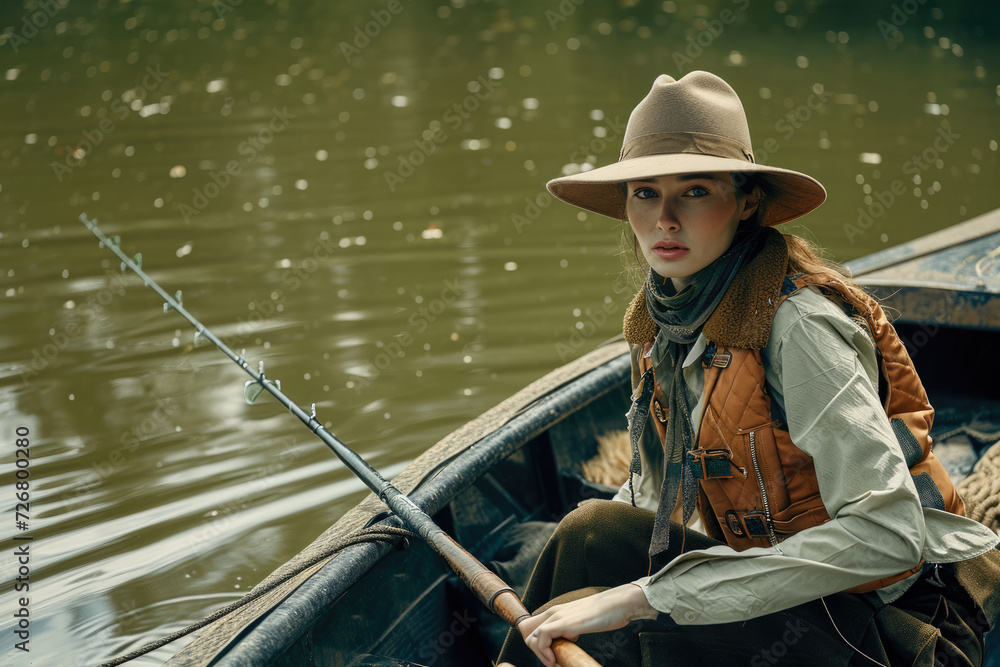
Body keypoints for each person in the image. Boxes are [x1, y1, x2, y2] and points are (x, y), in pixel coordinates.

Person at [496, 71, 1000, 667]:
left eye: (696, 191)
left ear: (748, 200)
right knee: (588, 532)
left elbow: (890, 538)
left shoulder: (799, 330)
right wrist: (617, 593)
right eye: (645, 193)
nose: (665, 219)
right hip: (791, 591)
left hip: (896, 628)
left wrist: (645, 598)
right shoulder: (666, 319)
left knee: (612, 631)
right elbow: (656, 501)